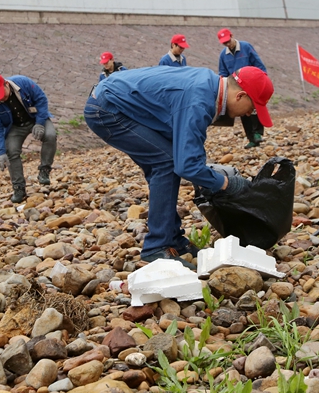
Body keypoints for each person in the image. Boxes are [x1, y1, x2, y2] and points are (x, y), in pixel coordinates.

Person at [84, 65, 274, 268]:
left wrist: (207, 175)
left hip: (119, 102)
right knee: (166, 163)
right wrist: (227, 184)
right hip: (107, 109)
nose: (249, 114)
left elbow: (189, 149)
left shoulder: (208, 86)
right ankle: (157, 247)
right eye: (253, 108)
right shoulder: (199, 102)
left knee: (166, 161)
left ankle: (173, 240)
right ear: (240, 96)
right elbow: (187, 167)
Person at [0, 73, 57, 202]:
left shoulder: (23, 82)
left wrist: (40, 123)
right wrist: (0, 151)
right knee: (10, 151)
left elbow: (41, 99)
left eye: (2, 94)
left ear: (6, 84)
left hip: (35, 118)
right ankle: (19, 188)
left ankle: (44, 170)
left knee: (50, 135)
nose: (1, 98)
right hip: (15, 126)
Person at [217, 28, 268, 148]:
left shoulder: (246, 47)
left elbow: (257, 63)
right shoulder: (223, 55)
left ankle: (257, 133)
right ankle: (251, 138)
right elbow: (223, 73)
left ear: (232, 36)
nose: (227, 44)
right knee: (242, 112)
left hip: (250, 83)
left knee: (254, 108)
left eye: (228, 41)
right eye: (224, 43)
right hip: (236, 87)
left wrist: (263, 78)